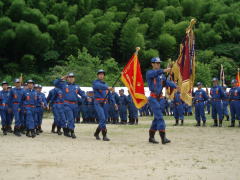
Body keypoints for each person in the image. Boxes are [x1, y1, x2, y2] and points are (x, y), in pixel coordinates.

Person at [146, 57, 176, 144]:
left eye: (159, 63)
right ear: (152, 64)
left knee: (156, 118)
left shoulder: (162, 75)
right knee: (160, 117)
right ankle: (163, 138)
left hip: (160, 99)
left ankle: (151, 137)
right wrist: (164, 70)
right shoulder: (149, 73)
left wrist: (175, 86)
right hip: (153, 98)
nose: (158, 64)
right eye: (156, 63)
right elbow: (155, 73)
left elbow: (166, 82)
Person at [55, 72, 87, 138]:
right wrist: (61, 78)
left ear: (74, 79)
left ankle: (67, 130)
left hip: (75, 105)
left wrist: (87, 97)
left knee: (72, 119)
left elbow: (82, 93)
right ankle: (72, 132)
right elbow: (55, 83)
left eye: (72, 77)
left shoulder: (77, 86)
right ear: (67, 78)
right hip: (67, 104)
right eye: (69, 77)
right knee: (71, 118)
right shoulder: (63, 85)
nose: (71, 78)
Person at [93, 69, 116, 141]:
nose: (101, 75)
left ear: (104, 76)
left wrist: (114, 103)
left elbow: (110, 95)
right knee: (102, 118)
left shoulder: (106, 84)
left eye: (102, 74)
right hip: (98, 103)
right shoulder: (95, 83)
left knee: (104, 120)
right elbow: (99, 86)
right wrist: (108, 88)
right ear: (97, 75)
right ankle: (104, 135)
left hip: (105, 103)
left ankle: (96, 133)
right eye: (100, 74)